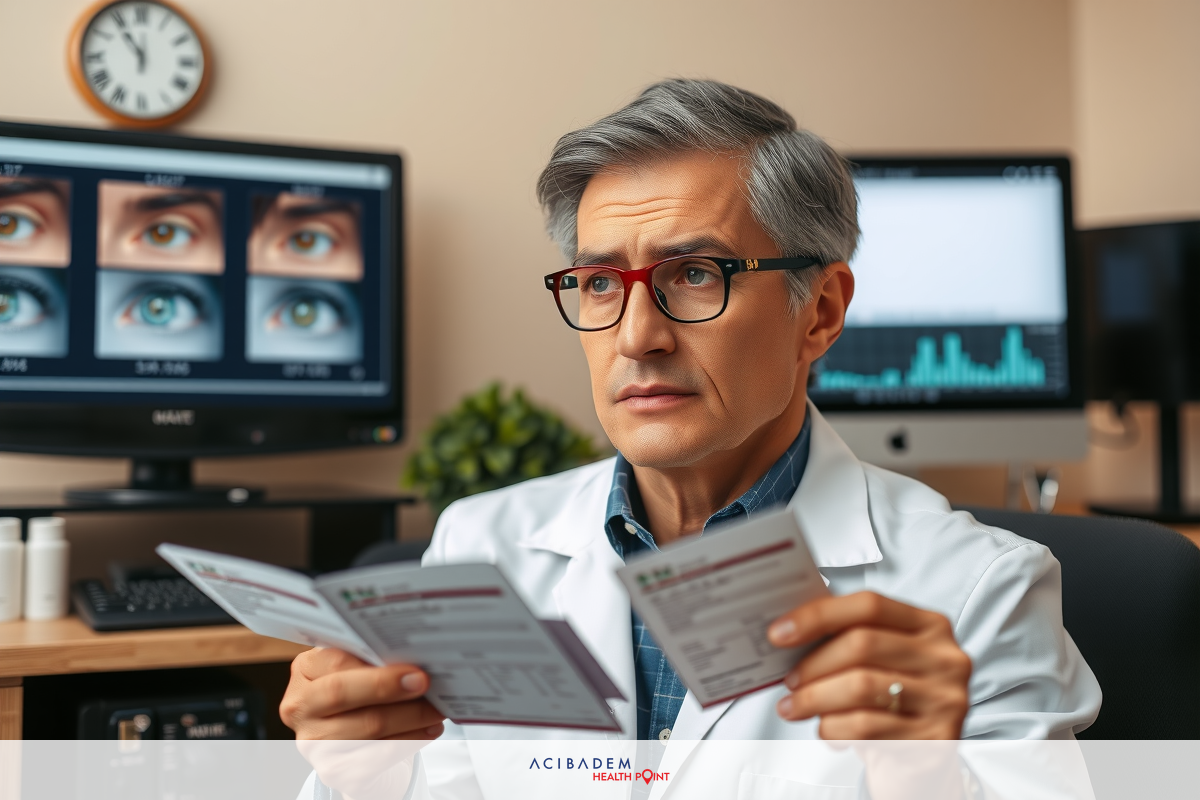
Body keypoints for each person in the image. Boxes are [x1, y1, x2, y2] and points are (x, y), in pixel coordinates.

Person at [281, 79, 1101, 797]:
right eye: (601, 283)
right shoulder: (480, 542)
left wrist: (929, 782)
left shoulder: (977, 590)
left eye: (694, 275)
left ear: (819, 312)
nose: (637, 335)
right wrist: (366, 782)